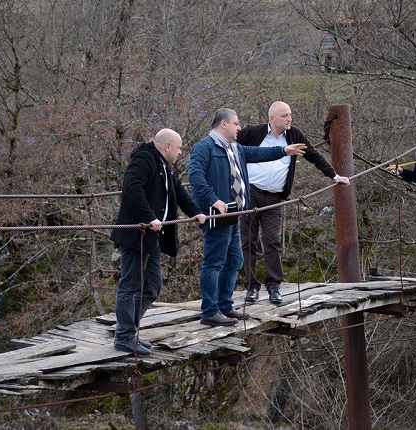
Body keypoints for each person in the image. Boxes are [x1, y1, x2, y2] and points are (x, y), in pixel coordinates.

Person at [188, 108, 306, 326]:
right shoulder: (204, 147)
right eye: (236, 123)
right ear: (224, 124)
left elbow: (257, 153)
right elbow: (194, 176)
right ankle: (209, 311)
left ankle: (225, 306)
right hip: (217, 214)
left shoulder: (235, 147)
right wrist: (213, 200)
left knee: (235, 260)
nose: (240, 128)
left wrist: (284, 151)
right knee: (214, 262)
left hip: (235, 212)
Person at [236, 101, 350, 305]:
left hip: (275, 197)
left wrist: (334, 176)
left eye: (290, 114)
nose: (289, 118)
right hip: (250, 193)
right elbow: (232, 149)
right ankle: (252, 286)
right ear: (272, 118)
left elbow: (314, 156)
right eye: (284, 115)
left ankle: (274, 287)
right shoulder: (253, 132)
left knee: (272, 241)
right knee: (248, 240)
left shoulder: (294, 134)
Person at [111, 128, 206, 355]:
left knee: (152, 286)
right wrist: (149, 217)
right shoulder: (144, 159)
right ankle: (124, 336)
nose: (182, 152)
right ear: (167, 147)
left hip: (151, 237)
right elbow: (132, 188)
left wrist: (196, 213)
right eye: (180, 148)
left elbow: (178, 192)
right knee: (131, 285)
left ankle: (127, 328)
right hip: (137, 234)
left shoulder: (165, 166)